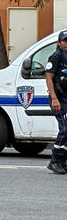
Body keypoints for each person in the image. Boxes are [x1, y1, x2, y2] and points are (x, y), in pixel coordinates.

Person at [44, 31, 67, 175]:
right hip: (58, 99)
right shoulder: (56, 57)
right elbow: (49, 78)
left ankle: (62, 161)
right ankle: (55, 161)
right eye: (65, 41)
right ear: (59, 43)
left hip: (66, 98)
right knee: (65, 129)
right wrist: (54, 98)